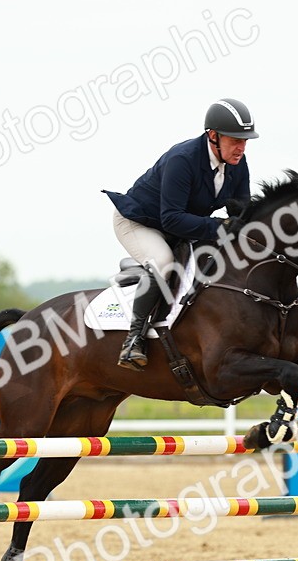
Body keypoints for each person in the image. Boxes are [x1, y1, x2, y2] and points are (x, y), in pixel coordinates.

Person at [102, 98, 258, 371]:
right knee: (163, 261)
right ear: (213, 136)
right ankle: (133, 341)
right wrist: (220, 227)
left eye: (245, 140)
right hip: (139, 223)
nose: (241, 147)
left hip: (181, 225)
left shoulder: (237, 163)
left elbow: (240, 210)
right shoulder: (182, 159)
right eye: (235, 140)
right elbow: (171, 218)